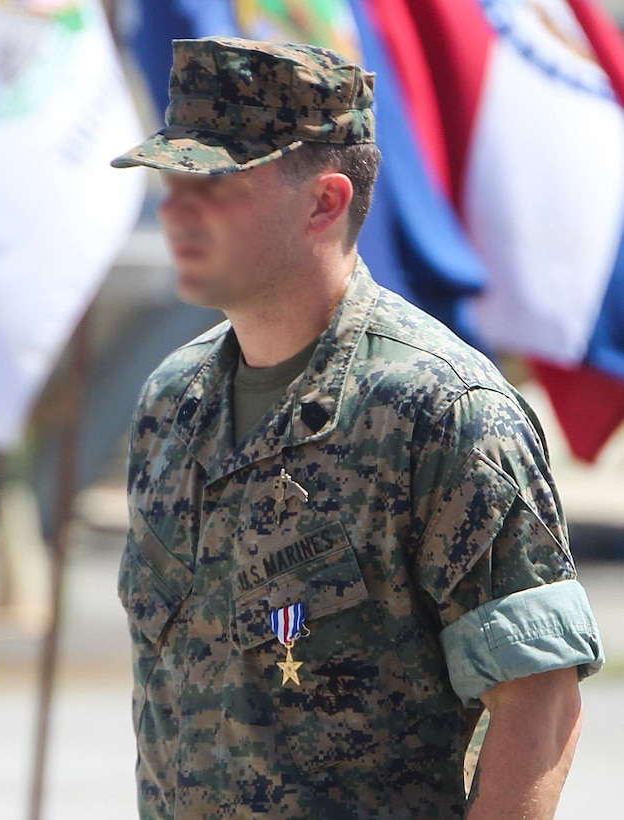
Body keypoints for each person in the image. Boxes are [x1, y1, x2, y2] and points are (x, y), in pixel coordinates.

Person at [110, 36, 604, 818]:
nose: (178, 213)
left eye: (217, 186)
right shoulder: (174, 402)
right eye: (174, 183)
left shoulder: (442, 411)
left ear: (324, 202)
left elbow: (537, 702)